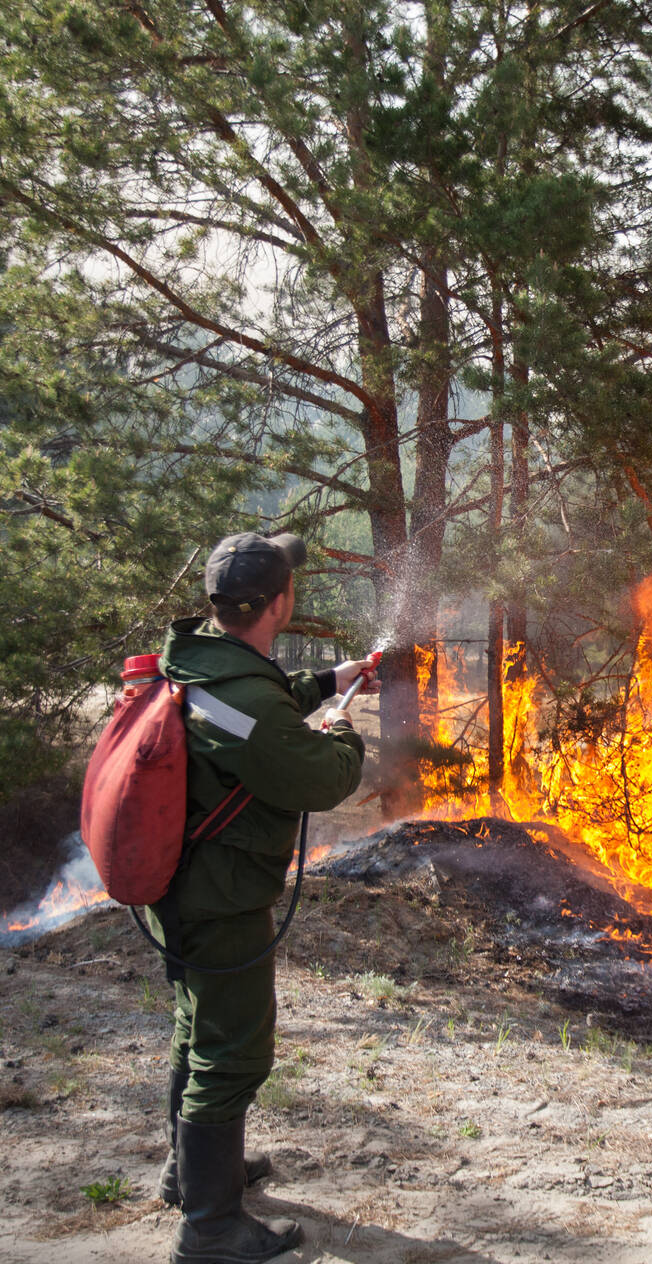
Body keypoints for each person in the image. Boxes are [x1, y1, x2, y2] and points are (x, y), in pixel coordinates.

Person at [146, 532, 379, 1264]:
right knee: (233, 1052)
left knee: (197, 1027)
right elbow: (314, 774)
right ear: (279, 602)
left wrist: (328, 681)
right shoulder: (240, 695)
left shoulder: (192, 659)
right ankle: (211, 1228)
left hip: (178, 889)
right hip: (218, 898)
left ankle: (191, 1173)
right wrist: (341, 727)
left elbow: (253, 713)